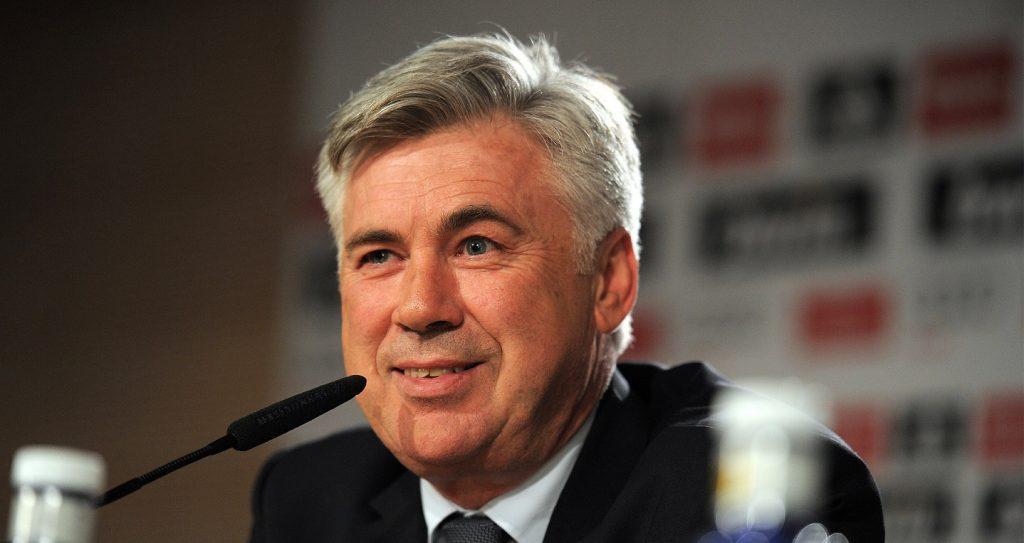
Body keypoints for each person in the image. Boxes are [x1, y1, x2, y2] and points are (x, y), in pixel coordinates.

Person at [248, 33, 884, 543]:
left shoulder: (743, 496)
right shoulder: (306, 499)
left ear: (608, 282)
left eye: (477, 246)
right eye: (380, 255)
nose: (419, 308)